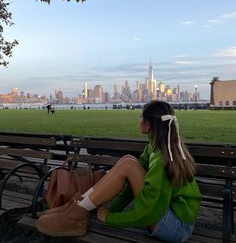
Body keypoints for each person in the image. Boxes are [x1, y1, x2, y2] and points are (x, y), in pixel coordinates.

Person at [36, 100, 201, 242]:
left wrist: (110, 218)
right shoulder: (156, 148)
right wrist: (112, 209)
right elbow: (132, 187)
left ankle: (75, 214)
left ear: (147, 125)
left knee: (128, 164)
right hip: (170, 219)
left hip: (176, 228)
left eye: (140, 117)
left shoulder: (162, 159)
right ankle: (76, 209)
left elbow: (149, 212)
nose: (138, 120)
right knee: (128, 161)